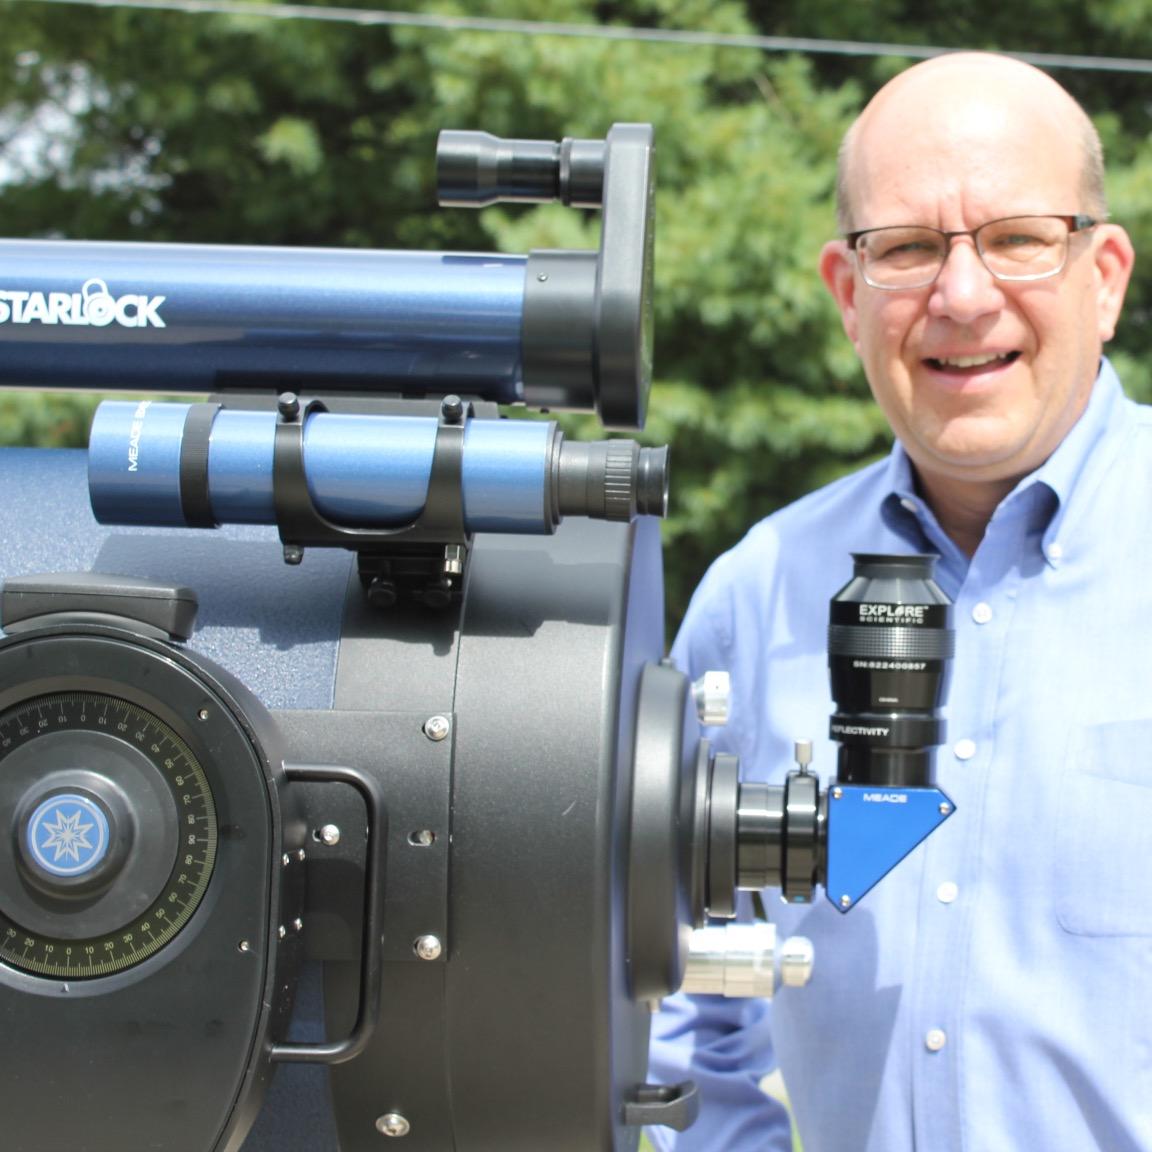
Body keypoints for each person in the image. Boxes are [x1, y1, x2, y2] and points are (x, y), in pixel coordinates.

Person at [647, 51, 1148, 1152]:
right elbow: (677, 987)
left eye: (1018, 238)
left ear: (1104, 274)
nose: (962, 297)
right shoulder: (757, 593)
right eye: (910, 249)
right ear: (846, 292)